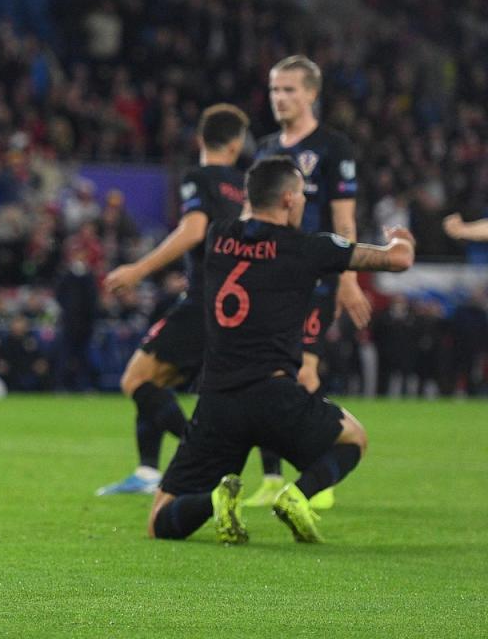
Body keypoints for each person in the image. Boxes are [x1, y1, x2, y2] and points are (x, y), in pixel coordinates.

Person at [148, 156, 415, 544]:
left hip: (217, 401)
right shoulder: (307, 248)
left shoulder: (218, 238)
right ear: (289, 199)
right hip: (276, 398)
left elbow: (248, 216)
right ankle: (298, 494)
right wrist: (401, 239)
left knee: (159, 521)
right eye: (302, 195)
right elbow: (398, 260)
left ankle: (213, 501)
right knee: (354, 439)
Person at [95, 104, 249, 495]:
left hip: (202, 302)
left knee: (136, 379)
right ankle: (149, 471)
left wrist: (139, 270)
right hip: (234, 305)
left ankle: (200, 457)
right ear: (237, 144)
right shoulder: (244, 187)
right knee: (156, 378)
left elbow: (193, 229)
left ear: (200, 139)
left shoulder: (199, 177)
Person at [246, 55, 372, 509]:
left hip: (313, 277)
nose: (279, 98)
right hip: (265, 277)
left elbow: (344, 218)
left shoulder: (334, 148)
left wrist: (348, 278)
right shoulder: (263, 148)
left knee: (304, 370)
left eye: (289, 90)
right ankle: (271, 478)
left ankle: (322, 472)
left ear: (312, 94)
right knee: (266, 373)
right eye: (275, 90)